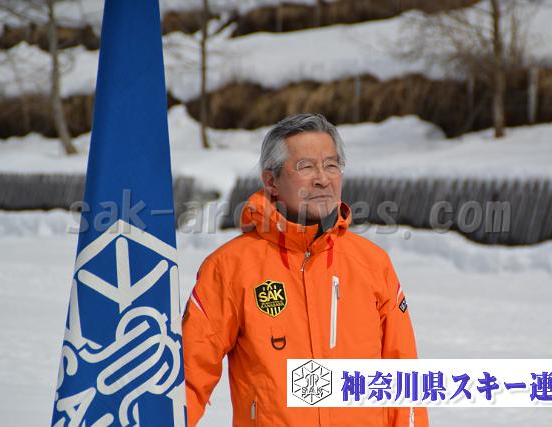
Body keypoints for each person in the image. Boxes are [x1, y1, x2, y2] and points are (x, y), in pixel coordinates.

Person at [182, 113, 429, 426]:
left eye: (331, 165)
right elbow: (187, 380)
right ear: (271, 181)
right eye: (306, 166)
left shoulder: (372, 263)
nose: (322, 178)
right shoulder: (229, 268)